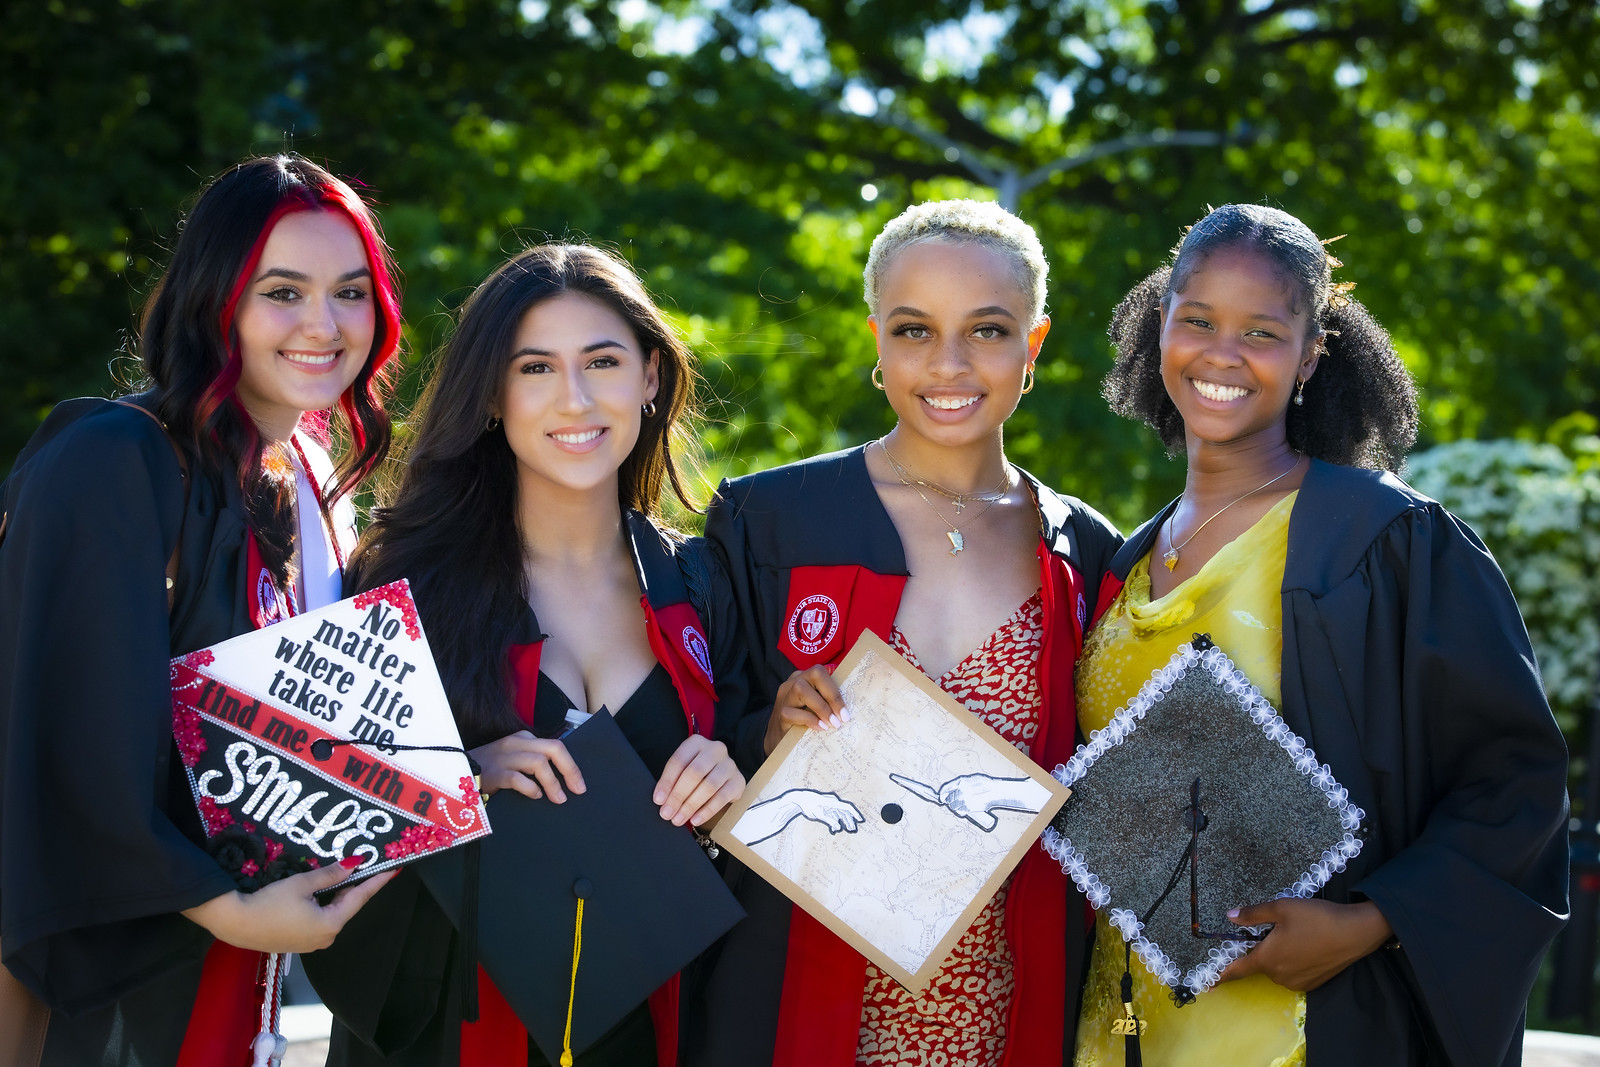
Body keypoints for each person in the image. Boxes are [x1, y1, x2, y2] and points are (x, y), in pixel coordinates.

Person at [1064, 203, 1568, 1065]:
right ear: (1161, 328)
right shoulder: (1124, 561)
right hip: (1121, 1033)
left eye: (1262, 330)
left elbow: (1514, 783)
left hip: (1298, 1040)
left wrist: (1370, 922)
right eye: (1198, 321)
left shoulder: (1384, 541)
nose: (1222, 354)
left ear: (1312, 353)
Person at [690, 199, 1123, 1067]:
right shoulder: (770, 520)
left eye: (989, 330)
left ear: (1033, 346)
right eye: (915, 329)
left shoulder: (1085, 552)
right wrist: (770, 734)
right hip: (798, 998)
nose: (950, 363)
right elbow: (697, 743)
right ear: (876, 340)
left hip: (1003, 1007)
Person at [303, 242, 748, 1067]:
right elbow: (314, 835)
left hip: (648, 1032)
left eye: (603, 361)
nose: (573, 398)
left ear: (650, 377)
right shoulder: (403, 585)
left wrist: (736, 782)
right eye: (535, 367)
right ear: (492, 395)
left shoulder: (706, 584)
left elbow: (761, 826)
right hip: (453, 1031)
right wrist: (458, 781)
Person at [0, 155, 403, 1065]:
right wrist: (227, 907)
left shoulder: (307, 486)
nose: (323, 323)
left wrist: (466, 768)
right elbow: (54, 736)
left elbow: (308, 734)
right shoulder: (113, 460)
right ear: (215, 297)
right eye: (283, 290)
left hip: (244, 963)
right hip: (114, 968)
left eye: (349, 291)